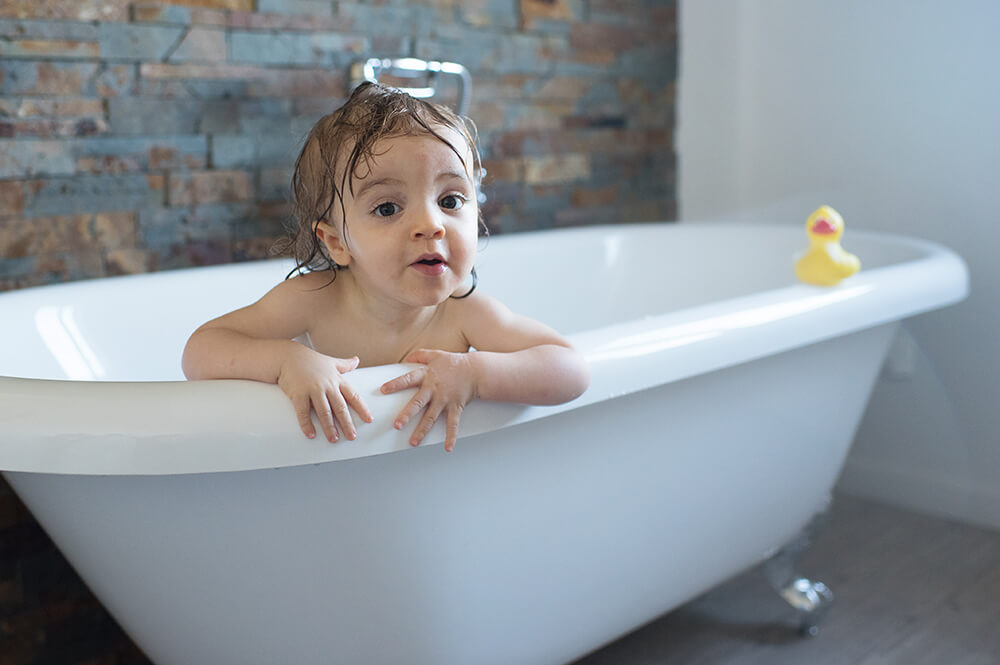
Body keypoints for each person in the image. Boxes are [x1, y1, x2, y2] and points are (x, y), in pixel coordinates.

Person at [182, 82, 589, 452]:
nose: (431, 224)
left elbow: (571, 368)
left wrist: (476, 373)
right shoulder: (314, 300)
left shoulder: (464, 311)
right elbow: (201, 350)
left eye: (450, 200)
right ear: (338, 243)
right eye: (388, 208)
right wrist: (285, 361)